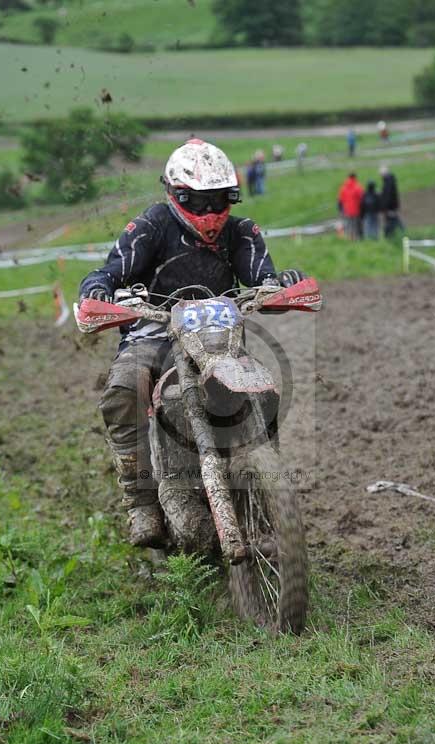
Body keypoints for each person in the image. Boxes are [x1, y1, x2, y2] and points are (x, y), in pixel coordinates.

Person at [78, 139, 307, 547]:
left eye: (219, 200)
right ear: (176, 195)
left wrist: (279, 286)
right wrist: (98, 290)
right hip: (154, 329)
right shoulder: (151, 225)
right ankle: (141, 501)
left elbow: (261, 279)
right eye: (199, 202)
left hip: (218, 337)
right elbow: (110, 272)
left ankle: (264, 482)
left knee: (261, 387)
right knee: (126, 390)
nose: (210, 212)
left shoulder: (242, 232)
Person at [337, 172, 364, 240]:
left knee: (349, 225)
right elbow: (362, 198)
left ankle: (350, 238)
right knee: (356, 226)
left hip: (347, 210)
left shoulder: (343, 187)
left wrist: (340, 210)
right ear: (355, 177)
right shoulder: (358, 187)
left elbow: (340, 200)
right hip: (356, 210)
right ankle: (355, 239)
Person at [379, 165, 404, 238]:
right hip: (392, 206)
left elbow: (387, 196)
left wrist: (384, 207)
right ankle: (399, 232)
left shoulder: (388, 183)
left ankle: (389, 236)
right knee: (393, 220)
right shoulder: (390, 180)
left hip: (390, 207)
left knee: (392, 221)